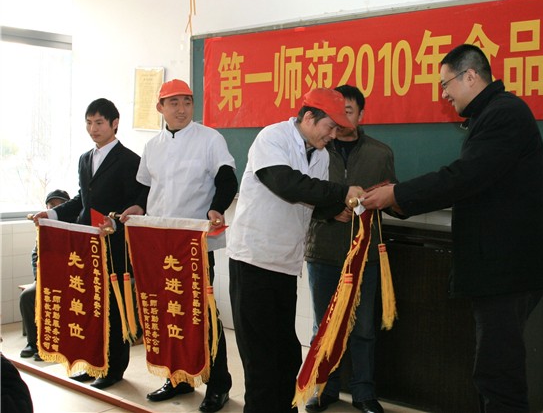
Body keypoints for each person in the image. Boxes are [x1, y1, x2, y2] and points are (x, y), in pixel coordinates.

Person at [361, 44, 543, 413]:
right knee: (495, 368)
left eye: (446, 84)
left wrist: (396, 194)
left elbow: (463, 177)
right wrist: (396, 198)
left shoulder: (504, 114)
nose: (444, 95)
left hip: (506, 270)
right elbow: (468, 183)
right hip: (500, 269)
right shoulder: (491, 115)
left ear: (471, 76)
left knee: (498, 374)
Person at [227, 88, 364, 413]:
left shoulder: (320, 155)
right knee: (261, 358)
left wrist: (335, 209)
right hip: (254, 259)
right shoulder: (272, 138)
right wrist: (341, 193)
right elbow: (286, 184)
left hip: (285, 264)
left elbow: (310, 199)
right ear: (309, 117)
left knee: (286, 354)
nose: (333, 136)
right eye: (330, 127)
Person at [120, 79, 237, 413]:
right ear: (160, 107)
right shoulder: (152, 146)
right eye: (173, 103)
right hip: (159, 241)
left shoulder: (209, 139)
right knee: (169, 309)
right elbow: (146, 188)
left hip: (193, 242)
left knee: (203, 314)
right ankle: (178, 377)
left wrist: (217, 207)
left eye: (187, 102)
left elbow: (227, 178)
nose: (181, 109)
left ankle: (219, 384)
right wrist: (137, 206)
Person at [32, 98, 146, 390]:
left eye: (99, 123)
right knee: (90, 307)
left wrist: (116, 221)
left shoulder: (130, 160)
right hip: (85, 245)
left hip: (114, 245)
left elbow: (138, 203)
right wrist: (52, 214)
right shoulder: (85, 158)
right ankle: (94, 362)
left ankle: (114, 368)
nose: (93, 129)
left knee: (114, 308)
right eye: (89, 123)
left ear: (114, 124)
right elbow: (82, 201)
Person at [303, 85, 397, 413]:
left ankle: (363, 392)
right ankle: (323, 389)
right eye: (336, 113)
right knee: (323, 326)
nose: (341, 120)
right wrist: (329, 211)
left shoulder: (380, 153)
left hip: (365, 256)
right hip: (323, 251)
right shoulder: (316, 149)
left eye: (349, 112)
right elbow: (303, 195)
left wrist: (380, 199)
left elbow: (392, 198)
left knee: (363, 328)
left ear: (361, 115)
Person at [19, 189, 71, 361]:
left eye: (60, 205)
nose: (55, 208)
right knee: (27, 296)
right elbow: (36, 255)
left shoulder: (75, 225)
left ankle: (55, 345)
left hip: (68, 279)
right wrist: (40, 277)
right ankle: (33, 343)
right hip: (45, 278)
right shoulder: (43, 228)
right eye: (51, 205)